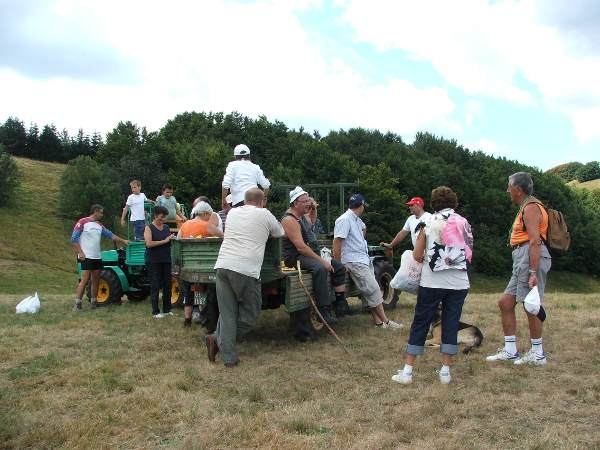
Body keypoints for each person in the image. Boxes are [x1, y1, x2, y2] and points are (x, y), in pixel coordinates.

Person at [392, 186, 473, 385]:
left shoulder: (427, 222)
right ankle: (445, 372)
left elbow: (418, 255)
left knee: (421, 322)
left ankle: (408, 372)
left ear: (433, 203)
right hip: (459, 282)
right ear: (454, 202)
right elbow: (468, 254)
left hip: (432, 282)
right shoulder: (464, 222)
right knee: (451, 323)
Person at [205, 188, 284, 367]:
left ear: (244, 199)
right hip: (245, 269)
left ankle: (229, 357)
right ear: (262, 201)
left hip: (223, 265)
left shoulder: (232, 213)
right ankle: (217, 340)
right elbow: (280, 232)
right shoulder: (265, 214)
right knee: (251, 313)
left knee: (227, 314)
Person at [486, 172, 552, 366]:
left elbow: (534, 241)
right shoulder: (527, 206)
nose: (507, 190)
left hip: (529, 257)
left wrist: (532, 272)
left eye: (509, 186)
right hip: (522, 257)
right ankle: (510, 350)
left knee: (530, 305)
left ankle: (538, 354)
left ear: (518, 189)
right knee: (505, 303)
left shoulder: (531, 207)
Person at [281, 186, 349, 324]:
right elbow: (301, 247)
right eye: (305, 201)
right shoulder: (289, 219)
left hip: (307, 254)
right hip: (295, 257)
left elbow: (311, 221)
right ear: (295, 203)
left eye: (308, 200)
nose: (308, 203)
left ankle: (340, 303)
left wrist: (313, 208)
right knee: (320, 268)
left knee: (339, 267)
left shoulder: (301, 216)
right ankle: (323, 311)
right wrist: (323, 262)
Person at [333, 194, 401, 329]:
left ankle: (378, 322)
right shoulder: (344, 220)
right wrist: (339, 265)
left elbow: (364, 227)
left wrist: (360, 237)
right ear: (361, 206)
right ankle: (387, 322)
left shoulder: (357, 220)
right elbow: (337, 242)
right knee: (374, 289)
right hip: (354, 261)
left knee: (369, 291)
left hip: (362, 259)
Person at [71, 204, 129, 310]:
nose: (102, 215)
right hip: (86, 256)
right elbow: (74, 239)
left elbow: (110, 235)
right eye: (101, 212)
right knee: (85, 279)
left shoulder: (99, 225)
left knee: (96, 279)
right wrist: (81, 253)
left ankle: (94, 302)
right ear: (95, 211)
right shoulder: (83, 222)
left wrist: (123, 240)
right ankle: (77, 304)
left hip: (97, 256)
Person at [177, 201, 224, 326]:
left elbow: (178, 241)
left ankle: (187, 319)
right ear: (204, 213)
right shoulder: (207, 226)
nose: (210, 218)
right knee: (211, 291)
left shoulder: (184, 225)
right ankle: (207, 318)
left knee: (188, 292)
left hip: (188, 266)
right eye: (209, 215)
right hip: (206, 266)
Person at [144, 206, 175, 318]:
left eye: (164, 217)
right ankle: (155, 312)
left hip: (166, 259)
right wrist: (165, 240)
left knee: (167, 285)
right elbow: (149, 244)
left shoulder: (166, 227)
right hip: (153, 261)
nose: (163, 219)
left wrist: (171, 239)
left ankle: (167, 309)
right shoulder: (149, 228)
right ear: (155, 215)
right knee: (155, 285)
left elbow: (168, 242)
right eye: (161, 217)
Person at [221, 144, 270, 210]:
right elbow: (266, 185)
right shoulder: (255, 167)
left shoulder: (232, 165)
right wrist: (264, 198)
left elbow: (225, 184)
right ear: (249, 155)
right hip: (256, 202)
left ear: (235, 156)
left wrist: (223, 200)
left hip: (239, 203)